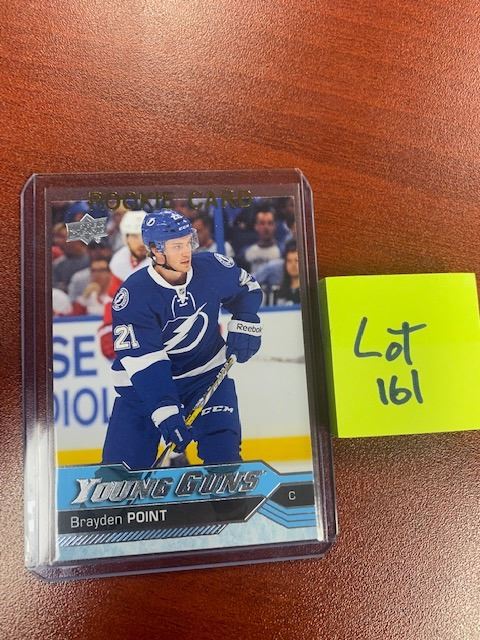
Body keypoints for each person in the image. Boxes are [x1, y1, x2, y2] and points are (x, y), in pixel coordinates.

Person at [102, 209, 262, 470]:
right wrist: (165, 410)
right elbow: (145, 363)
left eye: (188, 242)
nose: (186, 252)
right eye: (177, 246)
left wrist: (246, 319)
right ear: (156, 250)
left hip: (206, 377)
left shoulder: (212, 268)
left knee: (224, 458)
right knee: (121, 471)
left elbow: (248, 288)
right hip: (142, 390)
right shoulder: (134, 296)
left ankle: (227, 496)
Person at [98, 211, 149, 359]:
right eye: (134, 236)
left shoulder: (163, 261)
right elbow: (113, 301)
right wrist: (108, 329)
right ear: (125, 238)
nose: (140, 242)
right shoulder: (120, 262)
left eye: (143, 235)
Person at [243, 209, 281, 273]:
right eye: (262, 223)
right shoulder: (247, 252)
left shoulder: (282, 251)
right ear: (256, 226)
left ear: (274, 226)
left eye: (270, 223)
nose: (266, 227)